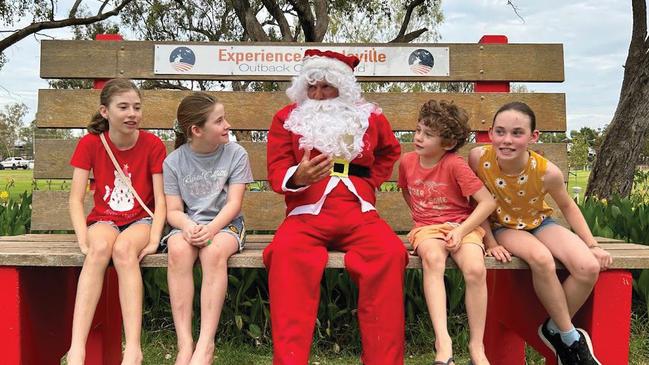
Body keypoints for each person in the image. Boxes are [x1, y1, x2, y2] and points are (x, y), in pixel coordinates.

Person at [264, 49, 407, 365]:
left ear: (343, 86)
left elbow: (389, 152)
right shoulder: (287, 118)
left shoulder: (369, 116)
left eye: (326, 87)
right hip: (305, 212)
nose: (317, 95)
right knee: (286, 255)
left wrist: (368, 183)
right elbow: (276, 168)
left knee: (389, 254)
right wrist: (297, 176)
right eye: (311, 87)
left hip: (359, 212)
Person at [468, 101, 612, 365]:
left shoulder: (547, 172)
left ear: (533, 137)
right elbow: (476, 203)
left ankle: (554, 329)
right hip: (504, 226)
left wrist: (592, 245)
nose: (507, 140)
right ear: (490, 133)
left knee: (589, 266)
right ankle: (569, 338)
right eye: (500, 132)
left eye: (517, 133)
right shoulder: (479, 158)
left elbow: (568, 206)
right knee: (542, 258)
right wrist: (489, 240)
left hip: (539, 222)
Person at [67, 79, 167, 365]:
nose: (131, 113)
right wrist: (82, 238)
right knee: (99, 250)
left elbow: (160, 200)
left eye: (136, 107)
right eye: (123, 107)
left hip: (141, 220)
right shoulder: (90, 144)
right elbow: (75, 199)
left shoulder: (152, 144)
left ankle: (133, 348)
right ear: (105, 111)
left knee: (124, 251)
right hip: (104, 219)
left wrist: (153, 238)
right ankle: (77, 348)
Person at [398, 100, 496, 365]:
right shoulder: (407, 162)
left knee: (476, 269)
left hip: (461, 227)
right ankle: (443, 342)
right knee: (432, 258)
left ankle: (477, 347)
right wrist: (422, 219)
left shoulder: (455, 165)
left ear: (448, 143)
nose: (418, 138)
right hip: (427, 229)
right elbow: (407, 191)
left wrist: (462, 230)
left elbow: (487, 202)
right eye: (418, 130)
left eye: (428, 135)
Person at [162, 92, 253, 365]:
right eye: (219, 121)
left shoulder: (236, 154)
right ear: (196, 130)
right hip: (189, 226)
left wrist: (211, 230)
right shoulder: (174, 162)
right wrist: (189, 227)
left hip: (226, 226)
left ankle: (205, 344)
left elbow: (234, 204)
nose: (227, 125)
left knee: (212, 253)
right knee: (177, 249)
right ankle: (184, 344)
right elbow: (174, 211)